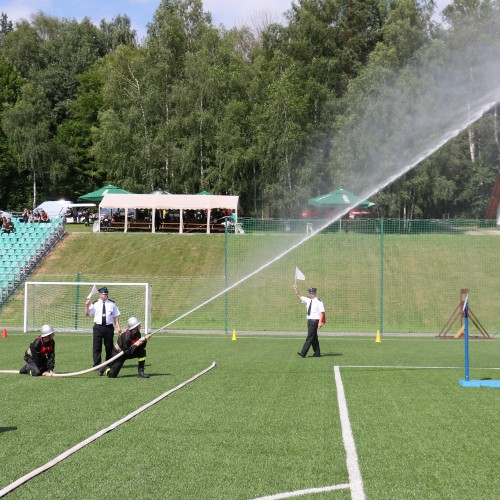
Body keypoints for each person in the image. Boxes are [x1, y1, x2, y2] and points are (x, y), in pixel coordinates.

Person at [85, 286, 122, 375]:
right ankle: (97, 364)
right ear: (100, 295)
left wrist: (118, 327)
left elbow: (115, 317)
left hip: (108, 328)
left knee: (109, 347)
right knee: (97, 347)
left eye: (106, 294)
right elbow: (87, 314)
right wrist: (86, 305)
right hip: (98, 327)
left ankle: (108, 363)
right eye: (104, 294)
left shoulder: (112, 304)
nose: (105, 296)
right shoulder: (95, 303)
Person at [292, 284, 326, 358]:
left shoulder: (319, 301)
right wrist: (295, 289)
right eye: (309, 293)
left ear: (314, 293)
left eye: (311, 293)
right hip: (310, 321)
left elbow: (321, 312)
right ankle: (317, 353)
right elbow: (299, 296)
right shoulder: (308, 300)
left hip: (315, 321)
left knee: (310, 337)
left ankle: (303, 353)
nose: (309, 294)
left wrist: (320, 322)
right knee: (314, 337)